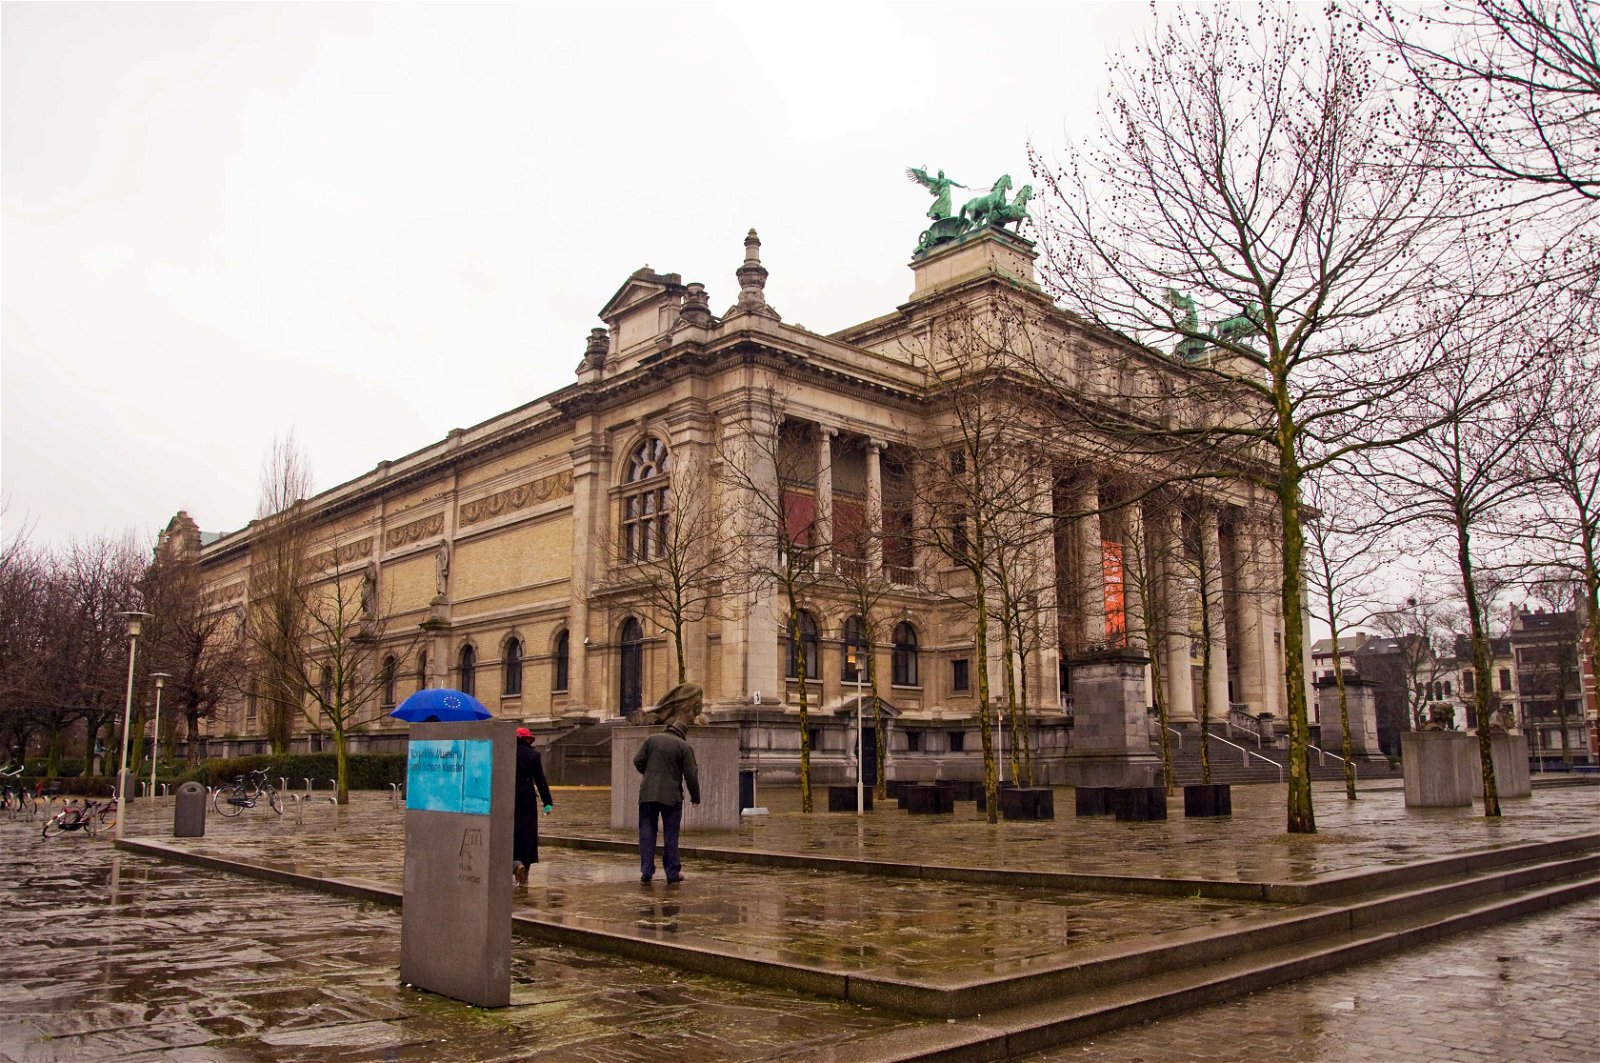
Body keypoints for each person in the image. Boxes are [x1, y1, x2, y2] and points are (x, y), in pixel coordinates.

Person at [634, 712, 700, 885]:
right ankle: (672, 872)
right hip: (671, 797)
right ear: (682, 733)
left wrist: (648, 775)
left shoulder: (651, 740)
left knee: (647, 834)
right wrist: (695, 797)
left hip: (647, 794)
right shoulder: (684, 746)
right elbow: (691, 774)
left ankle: (646, 871)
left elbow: (637, 760)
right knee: (671, 835)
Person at [512, 727, 553, 885]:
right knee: (527, 835)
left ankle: (515, 864)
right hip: (526, 798)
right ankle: (525, 870)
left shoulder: (505, 753)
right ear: (527, 740)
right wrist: (547, 802)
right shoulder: (533, 755)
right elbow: (540, 780)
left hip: (508, 796)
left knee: (510, 833)